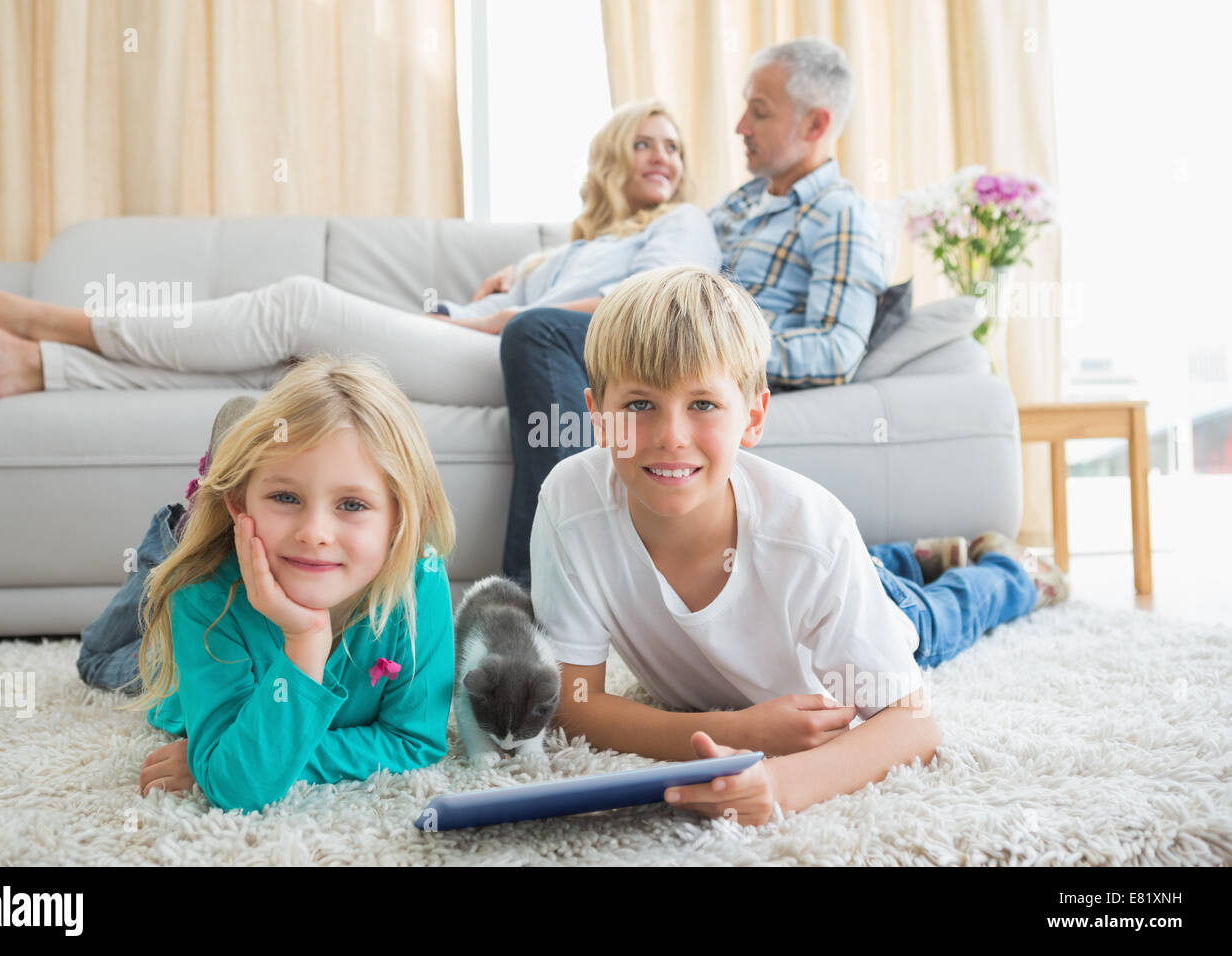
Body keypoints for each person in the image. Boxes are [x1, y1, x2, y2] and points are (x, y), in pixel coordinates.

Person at [531, 266, 1068, 826]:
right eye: (640, 405)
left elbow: (913, 724)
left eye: (704, 405)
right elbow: (572, 705)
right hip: (811, 587)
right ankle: (907, 556)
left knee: (935, 618)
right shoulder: (569, 503)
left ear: (753, 416)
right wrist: (736, 732)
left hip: (854, 618)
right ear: (596, 415)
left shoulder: (812, 533)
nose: (672, 436)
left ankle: (1010, 572)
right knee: (869, 572)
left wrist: (778, 785)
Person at [0, 100, 720, 407]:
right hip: (473, 335)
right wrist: (508, 285)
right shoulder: (573, 246)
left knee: (296, 306)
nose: (663, 158)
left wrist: (502, 315)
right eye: (644, 143)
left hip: (520, 362)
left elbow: (648, 311)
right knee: (287, 373)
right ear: (612, 155)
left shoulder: (682, 225)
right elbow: (554, 285)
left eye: (674, 147)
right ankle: (34, 369)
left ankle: (36, 315)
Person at [500, 37, 885, 585]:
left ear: (816, 124)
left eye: (759, 112)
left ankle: (534, 585)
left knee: (539, 333)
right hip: (668, 351)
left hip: (704, 365)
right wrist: (523, 273)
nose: (739, 128)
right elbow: (654, 252)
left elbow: (837, 350)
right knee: (539, 327)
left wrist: (722, 352)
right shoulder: (740, 203)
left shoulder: (841, 216)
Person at [121, 354, 458, 813]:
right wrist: (306, 640)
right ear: (240, 503)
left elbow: (413, 741)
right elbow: (239, 788)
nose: (314, 532)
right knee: (113, 662)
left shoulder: (422, 581)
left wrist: (249, 757)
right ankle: (167, 533)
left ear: (405, 518)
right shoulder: (202, 595)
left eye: (353, 504)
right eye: (285, 497)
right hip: (179, 675)